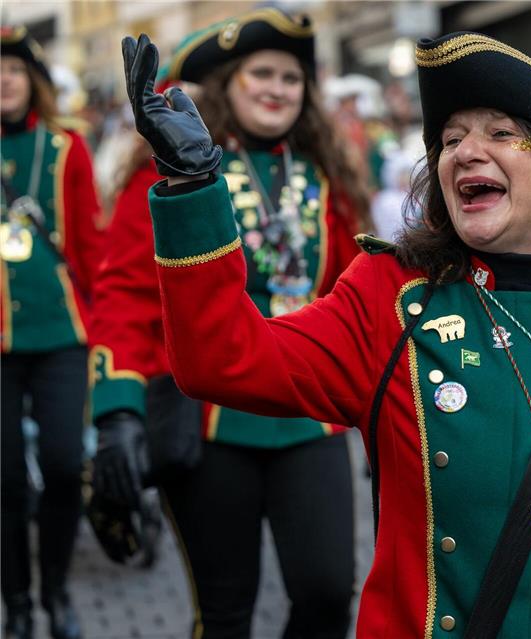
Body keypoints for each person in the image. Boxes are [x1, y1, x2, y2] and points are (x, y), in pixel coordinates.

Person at [119, 30, 531, 637]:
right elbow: (221, 360)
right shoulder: (390, 299)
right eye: (452, 138)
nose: (466, 151)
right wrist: (192, 186)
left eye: (501, 132)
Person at [90, 10, 366, 637]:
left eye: (291, 78)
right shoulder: (168, 172)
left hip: (309, 418)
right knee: (224, 615)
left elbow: (361, 297)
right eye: (260, 74)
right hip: (210, 423)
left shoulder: (330, 178)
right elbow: (127, 297)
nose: (277, 88)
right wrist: (118, 409)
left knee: (326, 594)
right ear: (224, 87)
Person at [1, 25, 103, 639]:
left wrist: (106, 331)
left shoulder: (67, 150)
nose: (3, 81)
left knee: (66, 465)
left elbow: (92, 248)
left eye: (13, 69)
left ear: (31, 79)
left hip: (63, 334)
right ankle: (15, 601)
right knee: (5, 478)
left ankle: (56, 589)